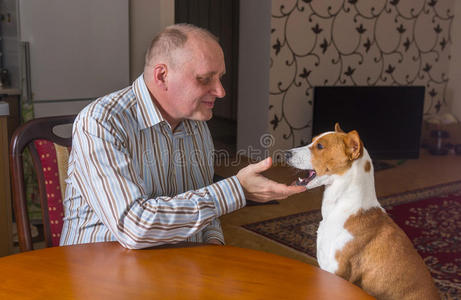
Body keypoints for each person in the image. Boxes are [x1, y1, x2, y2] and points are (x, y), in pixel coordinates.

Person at [59, 24, 306, 248]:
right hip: (97, 270)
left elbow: (204, 210)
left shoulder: (196, 125)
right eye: (205, 79)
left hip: (172, 269)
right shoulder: (101, 122)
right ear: (162, 76)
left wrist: (214, 250)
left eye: (220, 78)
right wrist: (236, 189)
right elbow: (134, 226)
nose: (220, 91)